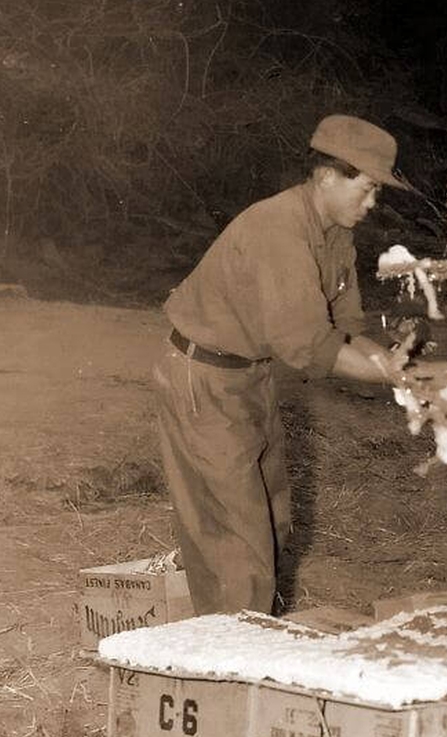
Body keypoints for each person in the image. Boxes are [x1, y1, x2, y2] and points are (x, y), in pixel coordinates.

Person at [153, 114, 414, 616]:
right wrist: (389, 376)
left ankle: (245, 634)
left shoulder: (335, 232)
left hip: (248, 374)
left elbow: (346, 326)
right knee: (239, 543)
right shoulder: (280, 230)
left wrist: (394, 361)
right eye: (367, 189)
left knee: (272, 521)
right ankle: (234, 670)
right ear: (326, 177)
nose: (373, 203)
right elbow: (309, 346)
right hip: (201, 378)